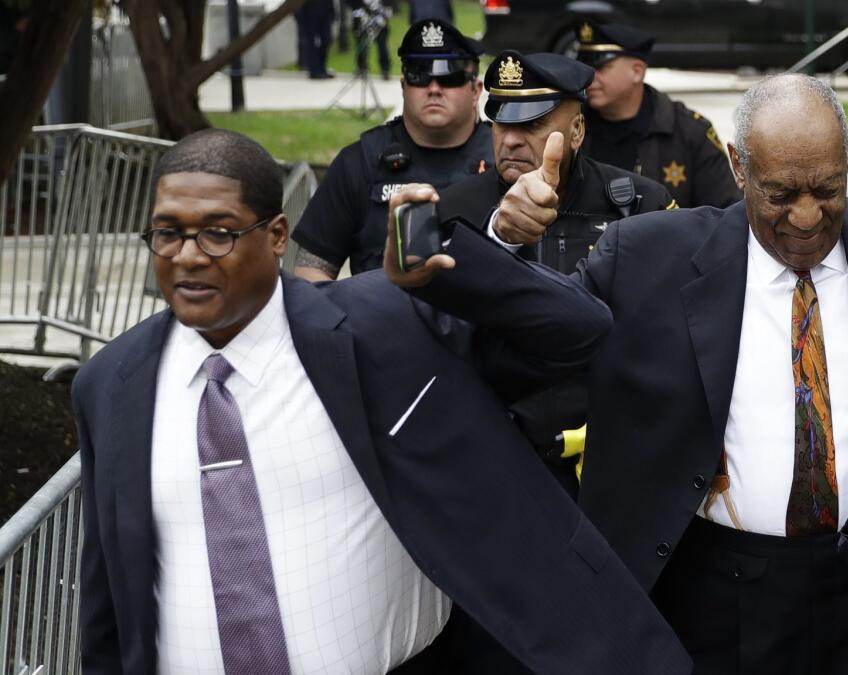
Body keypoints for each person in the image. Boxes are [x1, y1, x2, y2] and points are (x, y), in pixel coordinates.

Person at [71, 129, 692, 675]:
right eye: (167, 234)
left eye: (216, 234)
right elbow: (111, 594)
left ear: (277, 236)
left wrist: (453, 268)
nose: (186, 257)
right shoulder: (110, 385)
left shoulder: (383, 324)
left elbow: (578, 333)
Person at [492, 73, 848, 673]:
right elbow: (522, 358)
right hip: (705, 595)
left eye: (828, 188)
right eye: (780, 194)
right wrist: (507, 248)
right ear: (737, 167)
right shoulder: (644, 259)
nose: (806, 217)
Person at [438, 50, 673, 492]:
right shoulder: (456, 212)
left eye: (531, 125)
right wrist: (497, 240)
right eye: (502, 124)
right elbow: (442, 335)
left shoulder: (641, 204)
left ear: (578, 129)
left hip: (616, 460)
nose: (510, 140)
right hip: (499, 460)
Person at [292, 19, 493, 280]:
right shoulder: (359, 162)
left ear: (476, 89)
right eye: (418, 76)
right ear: (403, 86)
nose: (433, 89)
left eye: (449, 77)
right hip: (381, 318)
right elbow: (310, 272)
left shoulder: (504, 157)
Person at [574, 21, 741, 209]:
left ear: (637, 71)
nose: (589, 77)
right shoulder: (571, 126)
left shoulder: (690, 132)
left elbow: (726, 210)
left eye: (600, 68)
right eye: (585, 68)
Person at [347, 0, 393, 79]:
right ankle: (361, 67)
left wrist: (385, 14)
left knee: (382, 45)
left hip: (379, 19)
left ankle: (385, 69)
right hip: (362, 18)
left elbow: (388, 4)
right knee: (362, 44)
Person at [296, 0, 336, 79]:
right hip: (308, 13)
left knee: (326, 40)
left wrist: (332, 12)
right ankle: (314, 71)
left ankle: (322, 68)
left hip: (325, 12)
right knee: (311, 43)